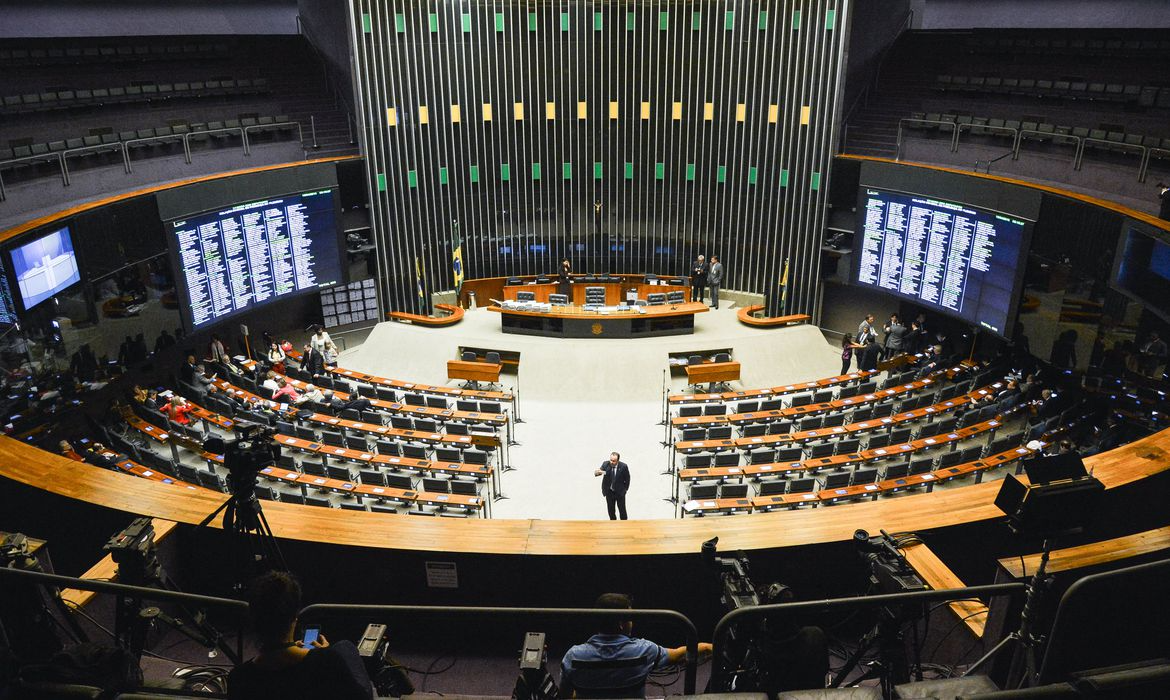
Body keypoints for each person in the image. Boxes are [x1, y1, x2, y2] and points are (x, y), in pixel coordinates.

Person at [227, 571, 374, 700]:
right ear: (295, 617)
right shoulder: (326, 661)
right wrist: (323, 654)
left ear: (253, 619)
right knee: (345, 647)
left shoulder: (238, 679)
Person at [560, 593, 712, 699]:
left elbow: (564, 695)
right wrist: (709, 647)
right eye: (630, 618)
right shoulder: (644, 651)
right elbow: (679, 654)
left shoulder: (572, 656)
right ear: (621, 624)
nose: (632, 622)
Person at [594, 452, 630, 521]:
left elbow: (627, 479)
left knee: (622, 511)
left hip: (620, 492)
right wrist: (599, 472)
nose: (611, 462)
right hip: (609, 492)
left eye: (614, 461)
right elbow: (599, 472)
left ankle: (625, 526)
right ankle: (613, 526)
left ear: (618, 461)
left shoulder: (623, 466)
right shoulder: (606, 464)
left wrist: (625, 490)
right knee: (611, 511)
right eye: (610, 460)